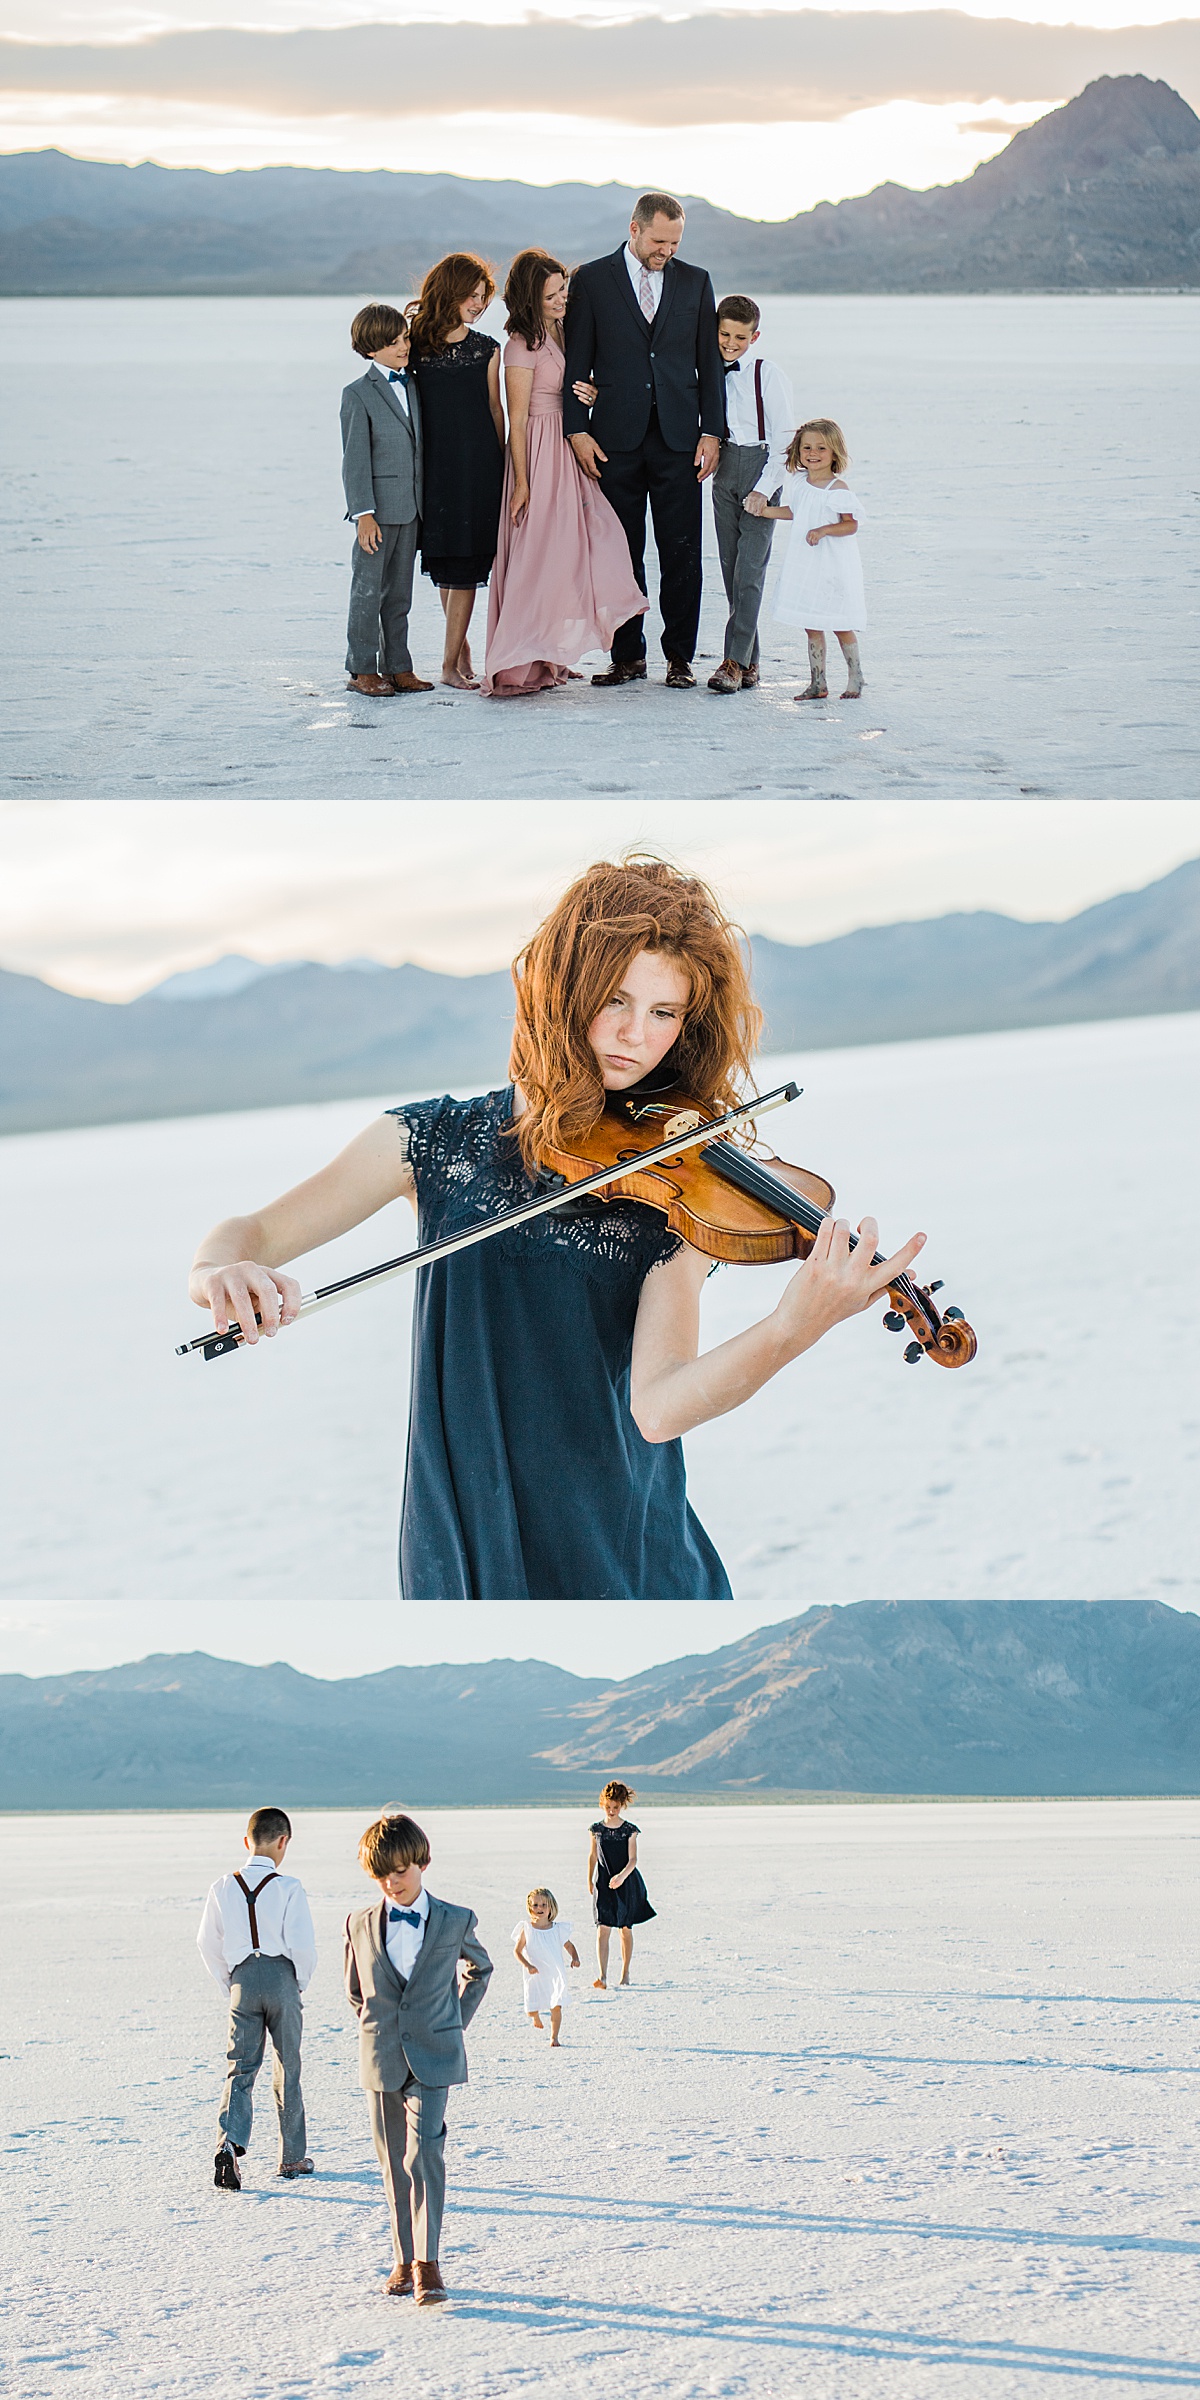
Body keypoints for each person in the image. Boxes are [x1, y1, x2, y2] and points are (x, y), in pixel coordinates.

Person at [187, 854, 926, 1601]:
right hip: (464, 1552)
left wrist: (794, 1327)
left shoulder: (677, 1186)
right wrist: (221, 1273)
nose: (635, 1035)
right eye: (614, 1000)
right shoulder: (429, 1144)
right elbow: (245, 1234)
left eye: (664, 1013)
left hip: (626, 1566)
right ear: (560, 990)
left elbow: (660, 1405)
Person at [562, 193, 725, 689]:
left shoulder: (696, 282)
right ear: (634, 228)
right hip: (614, 440)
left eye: (674, 242)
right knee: (620, 553)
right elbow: (575, 362)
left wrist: (713, 430)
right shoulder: (590, 280)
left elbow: (709, 362)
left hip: (680, 441)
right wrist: (576, 430)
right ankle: (627, 656)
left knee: (682, 551)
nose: (666, 251)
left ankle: (680, 658)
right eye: (658, 241)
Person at [483, 248, 648, 697]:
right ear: (529, 298)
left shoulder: (560, 329)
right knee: (539, 558)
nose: (562, 299)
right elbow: (518, 418)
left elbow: (569, 385)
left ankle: (552, 653)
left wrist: (588, 395)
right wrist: (521, 483)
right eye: (552, 294)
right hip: (537, 453)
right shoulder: (521, 344)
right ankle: (519, 662)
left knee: (582, 548)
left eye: (563, 290)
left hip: (568, 445)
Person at [345, 1811, 492, 2304]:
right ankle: (402, 2260)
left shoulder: (454, 1918)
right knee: (391, 2164)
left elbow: (481, 1968)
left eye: (401, 1872)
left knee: (424, 2155)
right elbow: (355, 1990)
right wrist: (379, 2027)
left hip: (434, 2055)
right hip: (381, 2058)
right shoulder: (359, 1922)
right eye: (381, 1874)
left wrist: (452, 2022)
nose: (392, 1882)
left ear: (421, 1863)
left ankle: (428, 2265)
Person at [197, 1805, 317, 2191]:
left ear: (247, 1841)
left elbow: (206, 1942)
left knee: (240, 2068)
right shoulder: (288, 1887)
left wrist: (230, 1981)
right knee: (288, 2067)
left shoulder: (221, 1886)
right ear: (284, 1842)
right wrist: (297, 1983)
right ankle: (292, 2158)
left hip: (242, 1982)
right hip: (282, 1977)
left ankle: (228, 2144)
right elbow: (303, 1945)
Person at [408, 253, 505, 689]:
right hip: (433, 467)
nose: (478, 304)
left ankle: (449, 664)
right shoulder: (414, 346)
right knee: (445, 558)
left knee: (465, 563)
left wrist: (506, 463)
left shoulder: (487, 348)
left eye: (484, 299)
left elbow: (494, 408)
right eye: (472, 295)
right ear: (450, 291)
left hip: (479, 465)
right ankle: (458, 648)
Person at [339, 302, 432, 699]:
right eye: (393, 342)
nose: (403, 347)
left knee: (400, 593)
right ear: (371, 348)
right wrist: (364, 514)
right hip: (376, 512)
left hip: (412, 509)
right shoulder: (357, 395)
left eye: (405, 338)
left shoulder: (414, 384)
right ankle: (362, 669)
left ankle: (398, 667)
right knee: (367, 590)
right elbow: (354, 460)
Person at [707, 296, 795, 694]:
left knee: (750, 574)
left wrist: (763, 491)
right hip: (723, 472)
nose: (730, 343)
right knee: (730, 571)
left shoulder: (767, 374)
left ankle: (732, 662)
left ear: (754, 336)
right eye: (724, 334)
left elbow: (785, 442)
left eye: (740, 337)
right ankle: (751, 662)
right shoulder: (707, 371)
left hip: (762, 471)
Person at [745, 417, 866, 700]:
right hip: (806, 565)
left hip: (832, 565)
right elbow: (795, 511)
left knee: (839, 623)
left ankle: (855, 678)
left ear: (834, 452)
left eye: (821, 448)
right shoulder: (800, 481)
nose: (813, 454)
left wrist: (824, 530)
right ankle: (818, 682)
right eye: (807, 448)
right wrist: (765, 512)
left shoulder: (838, 490)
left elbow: (851, 524)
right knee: (811, 623)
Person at [588, 1783, 654, 1988]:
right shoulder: (596, 1830)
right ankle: (603, 1976)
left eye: (615, 1807)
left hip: (626, 1883)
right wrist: (589, 1879)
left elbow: (633, 1859)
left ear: (621, 1806)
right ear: (602, 1804)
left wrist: (621, 1877)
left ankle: (625, 1974)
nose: (611, 1811)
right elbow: (592, 1855)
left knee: (625, 1929)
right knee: (603, 1928)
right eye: (608, 1806)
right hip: (603, 1882)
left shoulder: (629, 1830)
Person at [512, 1887, 580, 2046]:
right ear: (530, 1907)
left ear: (551, 1907)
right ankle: (535, 2017)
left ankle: (554, 2037)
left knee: (556, 2006)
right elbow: (517, 1951)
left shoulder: (557, 1929)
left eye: (543, 1905)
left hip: (554, 1974)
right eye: (535, 1905)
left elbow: (569, 1946)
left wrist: (575, 1958)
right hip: (534, 1974)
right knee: (531, 2008)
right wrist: (527, 1965)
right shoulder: (527, 1928)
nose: (539, 1908)